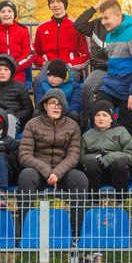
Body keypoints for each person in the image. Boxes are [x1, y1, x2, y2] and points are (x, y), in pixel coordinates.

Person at [18, 89, 88, 235]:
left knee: (80, 179)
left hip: (62, 173)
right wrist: (47, 171)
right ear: (45, 106)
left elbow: (74, 155)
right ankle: (25, 232)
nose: (56, 107)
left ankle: (76, 234)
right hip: (39, 172)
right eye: (52, 103)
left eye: (60, 104)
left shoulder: (73, 126)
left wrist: (57, 173)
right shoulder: (32, 124)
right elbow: (24, 155)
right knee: (26, 176)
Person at [96, 0, 132, 135]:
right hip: (111, 86)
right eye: (102, 18)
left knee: (123, 129)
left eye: (106, 18)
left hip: (130, 89)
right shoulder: (110, 35)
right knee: (97, 114)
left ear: (118, 16)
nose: (103, 22)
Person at [33, 0, 90, 84]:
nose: (55, 4)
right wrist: (44, 63)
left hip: (70, 68)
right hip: (48, 67)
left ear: (65, 3)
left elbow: (86, 54)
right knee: (38, 82)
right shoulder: (42, 27)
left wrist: (71, 64)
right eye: (52, 2)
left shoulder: (76, 26)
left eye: (59, 1)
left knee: (67, 83)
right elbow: (35, 54)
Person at [79, 100, 132, 194]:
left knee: (120, 164)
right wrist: (95, 158)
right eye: (98, 115)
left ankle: (120, 200)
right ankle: (94, 200)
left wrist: (109, 158)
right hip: (95, 173)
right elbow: (80, 158)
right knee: (91, 164)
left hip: (116, 173)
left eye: (104, 115)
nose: (100, 118)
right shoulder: (86, 136)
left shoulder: (121, 131)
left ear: (111, 119)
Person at [74, 0, 110, 130]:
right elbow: (78, 24)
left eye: (108, 15)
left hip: (119, 69)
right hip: (101, 69)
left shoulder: (122, 27)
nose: (104, 19)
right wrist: (94, 7)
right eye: (102, 13)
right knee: (86, 87)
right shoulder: (96, 25)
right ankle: (87, 124)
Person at [0, 54, 33, 138]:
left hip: (12, 119)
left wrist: (16, 115)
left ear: (11, 71)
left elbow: (28, 110)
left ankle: (7, 144)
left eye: (6, 69)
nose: (2, 72)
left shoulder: (20, 86)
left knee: (10, 118)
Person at [0, 0, 33, 83]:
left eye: (9, 11)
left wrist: (13, 67)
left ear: (14, 14)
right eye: (3, 11)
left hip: (17, 73)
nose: (6, 14)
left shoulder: (23, 31)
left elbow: (29, 54)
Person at [34, 59, 81, 124]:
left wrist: (60, 111)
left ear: (63, 77)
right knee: (36, 113)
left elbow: (75, 105)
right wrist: (51, 111)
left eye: (55, 76)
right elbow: (39, 103)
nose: (51, 79)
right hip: (47, 113)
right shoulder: (42, 84)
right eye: (49, 75)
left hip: (65, 113)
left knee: (74, 114)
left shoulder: (74, 86)